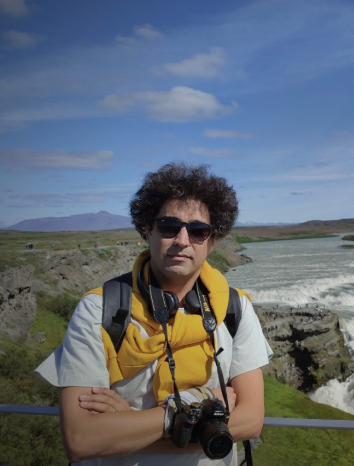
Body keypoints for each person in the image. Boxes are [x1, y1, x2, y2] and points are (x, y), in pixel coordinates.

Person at [34, 163, 272, 466]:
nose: (183, 240)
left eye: (198, 231)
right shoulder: (99, 310)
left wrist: (128, 426)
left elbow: (250, 421)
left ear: (212, 242)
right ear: (148, 230)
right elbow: (82, 439)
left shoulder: (235, 309)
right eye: (170, 227)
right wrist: (190, 405)